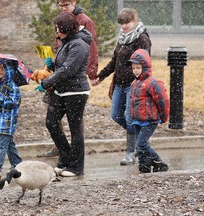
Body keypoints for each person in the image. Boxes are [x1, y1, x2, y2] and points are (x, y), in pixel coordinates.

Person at [39, 0, 99, 157]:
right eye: (60, 5)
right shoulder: (62, 22)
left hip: (73, 83)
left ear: (74, 2)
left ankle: (75, 154)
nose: (63, 8)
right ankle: (63, 149)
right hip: (60, 80)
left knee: (75, 124)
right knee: (52, 120)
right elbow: (62, 48)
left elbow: (90, 49)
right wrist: (53, 64)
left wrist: (91, 72)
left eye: (66, 5)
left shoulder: (84, 22)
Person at [35, 12, 91, 177]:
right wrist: (52, 64)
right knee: (51, 122)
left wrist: (46, 83)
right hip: (61, 90)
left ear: (67, 28)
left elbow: (69, 69)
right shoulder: (66, 42)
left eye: (59, 29)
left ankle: (76, 167)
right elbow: (62, 66)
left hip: (76, 92)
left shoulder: (79, 44)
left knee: (75, 129)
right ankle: (66, 159)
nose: (56, 32)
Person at [93, 8, 151, 165]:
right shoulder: (122, 38)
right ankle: (141, 140)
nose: (124, 26)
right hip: (119, 84)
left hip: (134, 85)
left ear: (134, 20)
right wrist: (101, 76)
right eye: (121, 23)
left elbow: (145, 63)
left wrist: (140, 82)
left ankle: (131, 152)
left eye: (127, 22)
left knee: (129, 118)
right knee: (115, 115)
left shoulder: (142, 38)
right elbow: (114, 61)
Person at [128, 49, 169, 173]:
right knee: (138, 146)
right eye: (133, 68)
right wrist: (131, 117)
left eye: (138, 68)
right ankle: (144, 166)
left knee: (141, 144)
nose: (135, 71)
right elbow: (133, 103)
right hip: (137, 120)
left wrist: (164, 116)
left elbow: (163, 101)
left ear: (145, 67)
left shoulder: (153, 83)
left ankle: (157, 160)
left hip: (150, 120)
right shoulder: (134, 83)